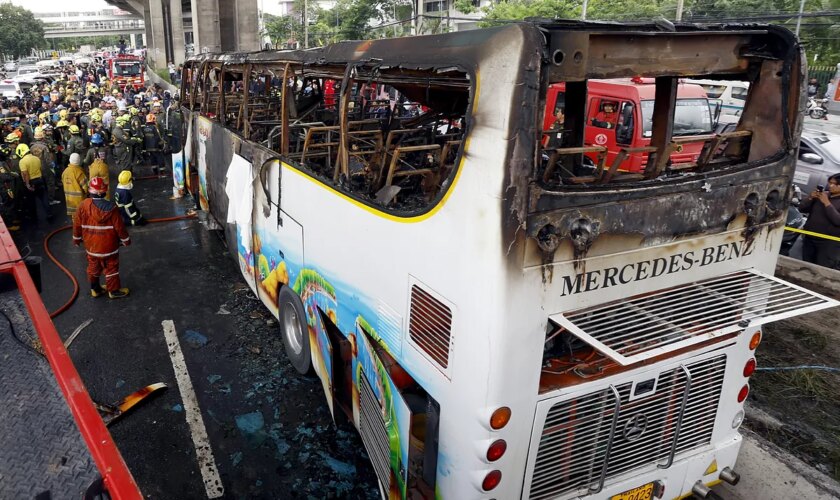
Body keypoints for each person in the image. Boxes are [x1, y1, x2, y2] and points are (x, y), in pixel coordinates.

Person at [72, 176, 131, 299]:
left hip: (91, 246)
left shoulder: (83, 205)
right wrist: (126, 240)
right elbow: (119, 227)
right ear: (104, 191)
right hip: (109, 246)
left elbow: (77, 224)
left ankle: (95, 289)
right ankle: (113, 291)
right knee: (111, 267)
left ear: (90, 190)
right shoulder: (112, 208)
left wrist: (76, 239)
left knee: (93, 266)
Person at [800, 173, 840, 269]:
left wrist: (826, 203)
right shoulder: (823, 195)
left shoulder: (825, 199)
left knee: (822, 269)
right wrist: (810, 198)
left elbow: (838, 221)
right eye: (830, 183)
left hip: (829, 243)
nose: (831, 186)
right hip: (809, 238)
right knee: (806, 267)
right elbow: (802, 209)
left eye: (835, 184)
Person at [17, 143, 52, 223]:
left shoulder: (22, 161)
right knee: (44, 199)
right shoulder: (36, 158)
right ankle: (49, 213)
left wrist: (27, 184)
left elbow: (25, 174)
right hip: (40, 180)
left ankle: (34, 218)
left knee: (31, 201)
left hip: (31, 182)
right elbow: (40, 169)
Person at [62, 152, 88, 220]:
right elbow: (85, 187)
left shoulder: (65, 172)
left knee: (74, 217)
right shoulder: (79, 172)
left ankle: (76, 228)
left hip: (69, 200)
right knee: (81, 216)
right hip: (79, 200)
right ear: (79, 161)